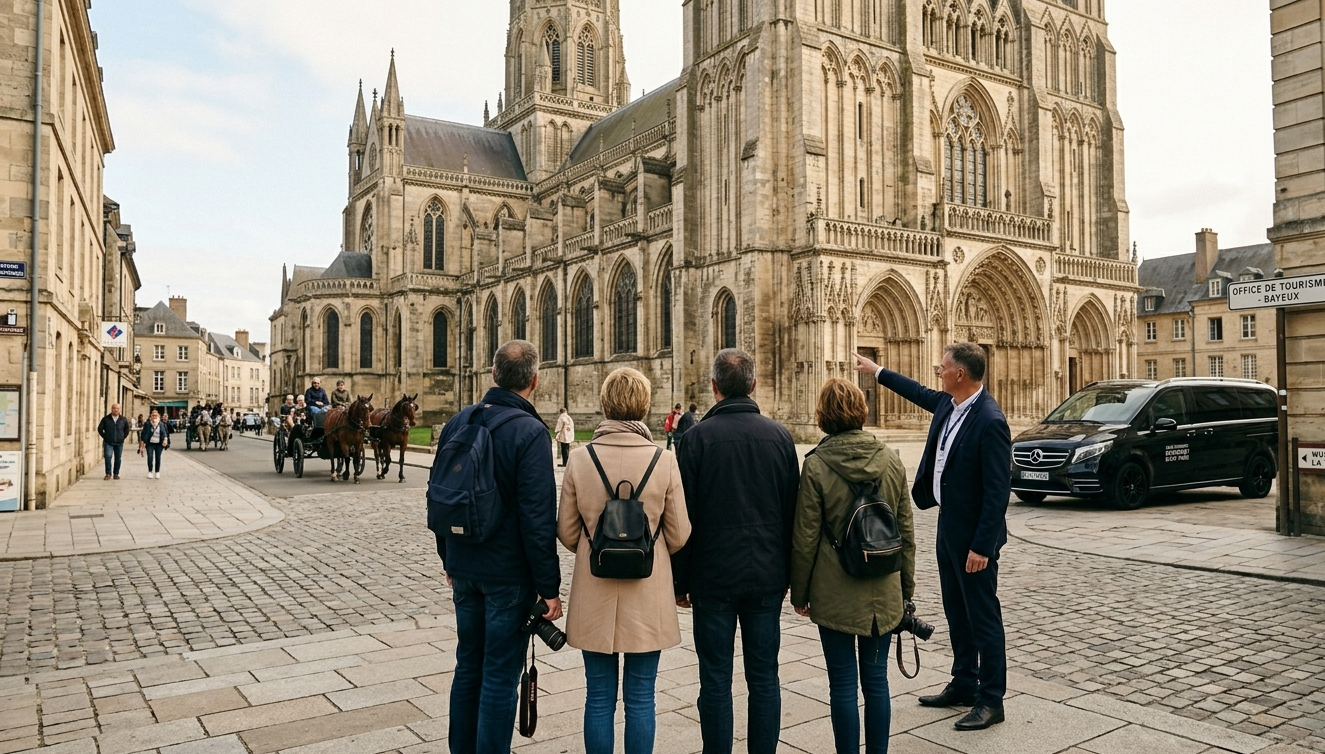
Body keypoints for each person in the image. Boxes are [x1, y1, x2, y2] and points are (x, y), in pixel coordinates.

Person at [854, 344, 1011, 731]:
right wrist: (877, 371)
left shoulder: (990, 420)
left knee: (983, 616)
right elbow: (916, 392)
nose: (938, 373)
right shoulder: (949, 404)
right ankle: (964, 682)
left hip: (973, 535)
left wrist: (982, 546)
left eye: (943, 368)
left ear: (960, 374)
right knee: (957, 610)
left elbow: (998, 491)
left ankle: (992, 699)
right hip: (948, 524)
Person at [435, 340, 562, 754]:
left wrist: (448, 557)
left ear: (492, 375)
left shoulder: (458, 422)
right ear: (534, 381)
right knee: (498, 676)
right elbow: (537, 518)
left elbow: (439, 497)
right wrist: (549, 588)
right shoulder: (530, 432)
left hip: (465, 569)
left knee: (468, 666)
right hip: (507, 577)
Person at [673, 349, 800, 754]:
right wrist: (792, 577)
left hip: (711, 579)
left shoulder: (694, 440)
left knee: (714, 678)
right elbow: (792, 514)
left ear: (714, 388)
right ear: (753, 385)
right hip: (766, 575)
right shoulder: (780, 437)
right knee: (765, 676)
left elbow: (682, 518)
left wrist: (680, 581)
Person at [558, 368, 692, 754]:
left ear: (605, 405)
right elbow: (680, 534)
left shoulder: (581, 459)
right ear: (644, 407)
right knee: (641, 699)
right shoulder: (663, 460)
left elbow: (566, 533)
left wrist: (596, 541)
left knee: (598, 699)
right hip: (647, 593)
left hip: (594, 590)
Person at [791, 379, 916, 754]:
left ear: (823, 415)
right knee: (876, 682)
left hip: (834, 592)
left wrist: (800, 593)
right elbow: (907, 534)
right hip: (883, 593)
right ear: (862, 411)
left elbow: (805, 538)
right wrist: (905, 590)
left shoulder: (815, 465)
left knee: (842, 684)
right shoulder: (891, 459)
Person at [97, 403, 130, 480]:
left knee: (118, 458)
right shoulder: (106, 419)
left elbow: (127, 429)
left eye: (117, 408)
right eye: (114, 408)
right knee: (108, 457)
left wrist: (123, 437)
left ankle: (116, 474)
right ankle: (108, 473)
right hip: (109, 442)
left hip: (119, 442)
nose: (116, 410)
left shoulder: (123, 419)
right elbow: (100, 429)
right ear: (111, 409)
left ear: (119, 410)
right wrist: (105, 437)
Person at [138, 409, 172, 479]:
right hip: (150, 443)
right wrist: (142, 444)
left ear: (158, 416)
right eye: (153, 415)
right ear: (151, 416)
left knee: (158, 457)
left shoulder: (161, 424)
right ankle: (150, 471)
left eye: (156, 415)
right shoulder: (147, 424)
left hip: (159, 444)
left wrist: (165, 440)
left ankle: (157, 472)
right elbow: (143, 434)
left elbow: (165, 433)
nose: (154, 416)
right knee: (150, 457)